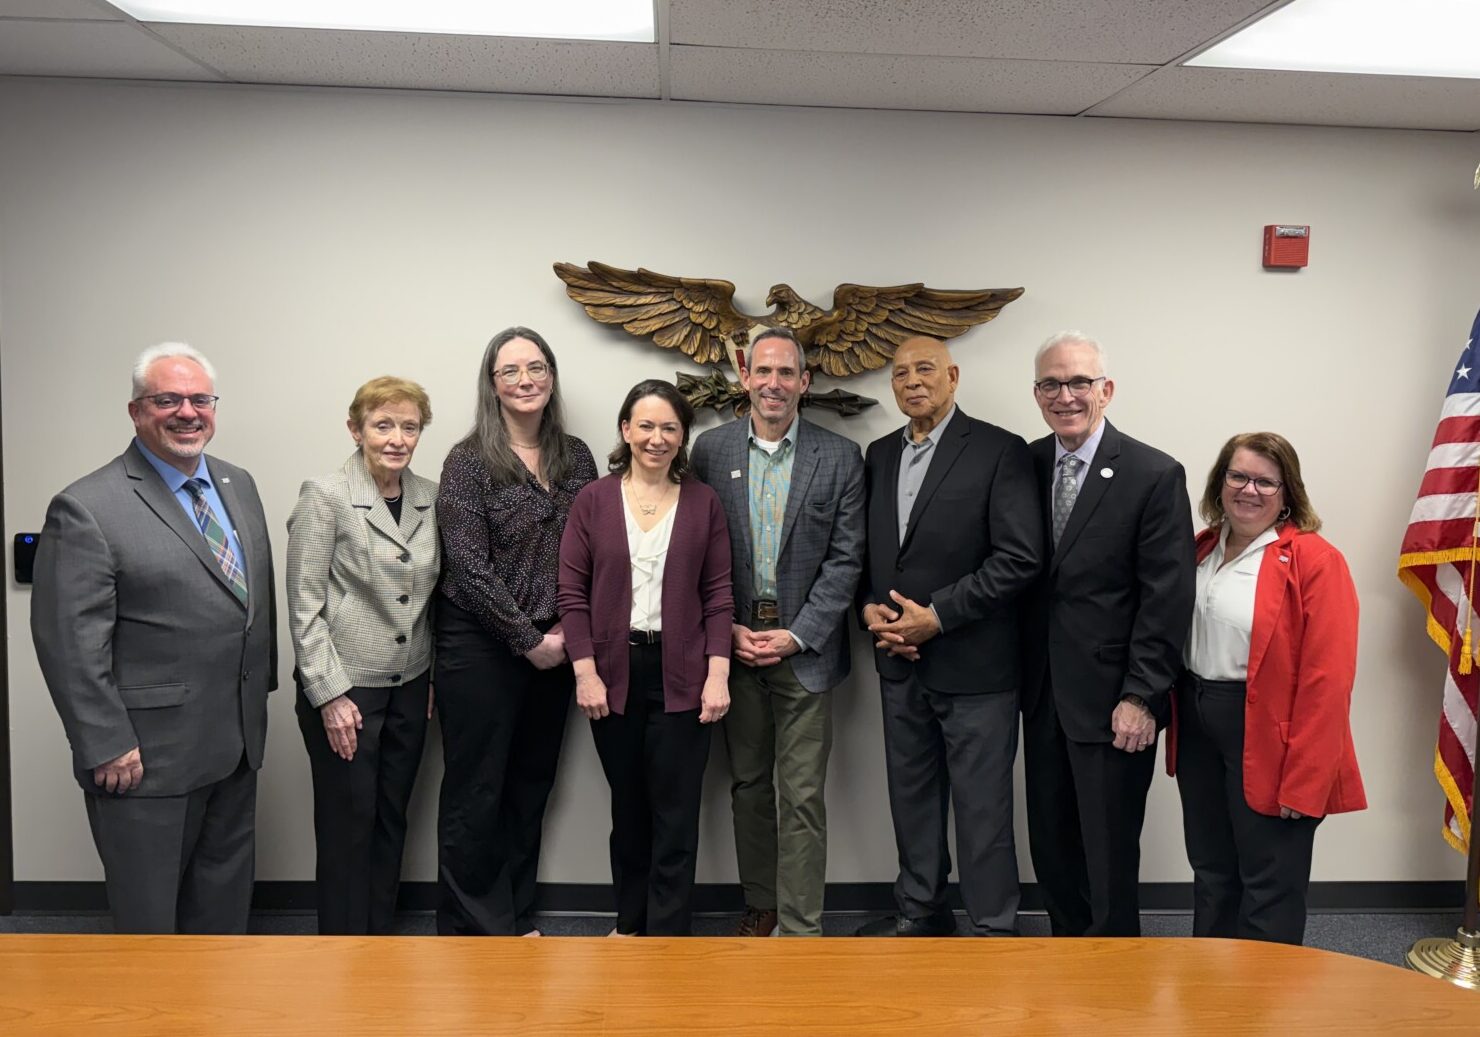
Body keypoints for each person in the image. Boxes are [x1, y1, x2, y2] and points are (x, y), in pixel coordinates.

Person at [30, 342, 276, 933]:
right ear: (137, 410)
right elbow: (68, 642)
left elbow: (248, 599)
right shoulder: (88, 506)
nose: (187, 412)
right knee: (149, 927)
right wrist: (104, 741)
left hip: (235, 745)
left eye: (199, 399)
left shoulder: (236, 483)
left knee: (221, 915)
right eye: (168, 400)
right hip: (145, 758)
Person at [856, 335, 1042, 937]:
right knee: (911, 800)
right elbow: (873, 556)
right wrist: (869, 611)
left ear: (954, 376)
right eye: (901, 373)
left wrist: (936, 617)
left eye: (926, 369)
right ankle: (921, 912)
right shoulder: (879, 454)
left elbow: (1019, 558)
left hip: (976, 666)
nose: (912, 381)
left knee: (982, 809)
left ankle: (992, 927)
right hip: (899, 662)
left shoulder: (999, 450)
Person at [691, 328, 865, 937]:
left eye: (786, 373)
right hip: (733, 652)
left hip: (805, 655)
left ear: (804, 382)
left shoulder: (840, 457)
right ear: (744, 377)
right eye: (762, 371)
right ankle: (760, 907)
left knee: (801, 797)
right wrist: (726, 629)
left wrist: (797, 635)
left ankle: (800, 927)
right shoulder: (708, 452)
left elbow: (847, 561)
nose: (773, 383)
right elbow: (695, 554)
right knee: (747, 788)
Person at [1021, 330, 1195, 937]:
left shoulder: (1153, 473)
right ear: (1037, 392)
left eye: (1078, 382)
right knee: (1051, 844)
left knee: (1108, 850)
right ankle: (1070, 958)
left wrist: (1141, 696)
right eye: (1051, 383)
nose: (1065, 395)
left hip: (1112, 698)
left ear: (1106, 390)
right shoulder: (1028, 463)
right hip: (1040, 693)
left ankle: (1117, 974)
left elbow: (1167, 597)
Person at [1170, 432, 1365, 944]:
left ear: (1287, 492)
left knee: (1269, 880)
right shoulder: (1202, 548)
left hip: (1270, 733)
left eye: (1264, 481)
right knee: (1212, 870)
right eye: (1238, 476)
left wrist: (1306, 780)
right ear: (1220, 481)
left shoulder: (1314, 560)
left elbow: (1329, 681)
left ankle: (1264, 1010)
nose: (1248, 490)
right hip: (1198, 722)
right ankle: (1211, 995)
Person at [434, 327, 597, 936]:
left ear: (551, 377)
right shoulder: (468, 460)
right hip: (480, 646)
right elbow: (468, 568)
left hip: (556, 645)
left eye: (535, 368)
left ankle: (516, 911)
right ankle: (477, 925)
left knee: (531, 785)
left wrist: (562, 634)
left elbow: (589, 551)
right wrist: (527, 641)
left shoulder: (576, 456)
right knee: (477, 790)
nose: (524, 380)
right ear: (493, 384)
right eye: (510, 372)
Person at [558, 378, 733, 937]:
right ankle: (631, 925)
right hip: (613, 675)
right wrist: (584, 672)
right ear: (625, 430)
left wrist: (718, 675)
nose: (657, 438)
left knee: (677, 814)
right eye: (646, 426)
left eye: (670, 428)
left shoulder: (704, 501)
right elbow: (572, 593)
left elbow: (719, 593)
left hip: (685, 674)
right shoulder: (593, 500)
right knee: (629, 810)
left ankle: (669, 934)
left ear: (683, 437)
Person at [286, 376, 439, 934]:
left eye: (409, 426)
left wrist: (427, 682)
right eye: (383, 425)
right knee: (349, 826)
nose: (397, 438)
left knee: (391, 819)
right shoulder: (325, 495)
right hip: (346, 689)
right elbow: (303, 606)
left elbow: (429, 603)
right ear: (356, 429)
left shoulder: (429, 496)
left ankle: (379, 944)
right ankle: (344, 951)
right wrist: (328, 695)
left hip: (410, 686)